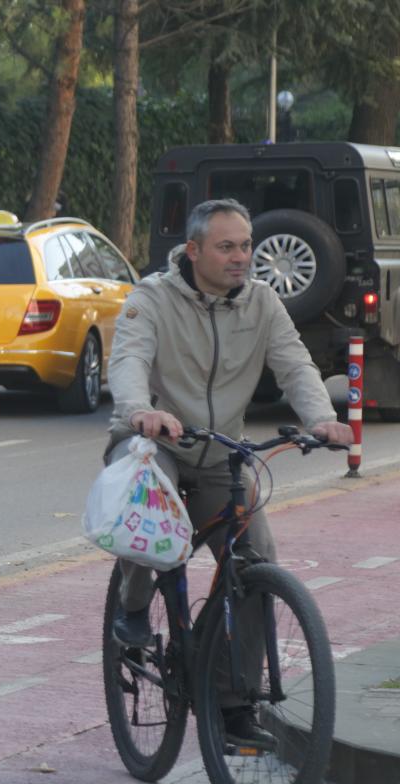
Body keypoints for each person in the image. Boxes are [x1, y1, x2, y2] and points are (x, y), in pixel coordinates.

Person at [105, 198, 352, 745]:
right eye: (227, 247)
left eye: (245, 246)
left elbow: (294, 364)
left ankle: (233, 704)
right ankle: (134, 610)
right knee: (151, 499)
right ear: (193, 251)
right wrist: (139, 410)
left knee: (257, 562)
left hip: (221, 451)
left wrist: (322, 420)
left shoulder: (263, 303)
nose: (241, 257)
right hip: (157, 439)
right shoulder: (152, 298)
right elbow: (128, 361)